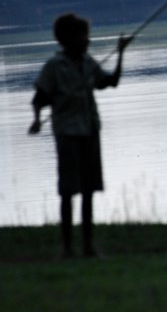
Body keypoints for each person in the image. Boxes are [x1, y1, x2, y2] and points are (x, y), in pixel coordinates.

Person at [28, 13, 133, 258]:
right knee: (68, 191)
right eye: (82, 36)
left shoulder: (88, 63)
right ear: (67, 39)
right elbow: (39, 99)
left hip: (89, 131)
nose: (87, 40)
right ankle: (67, 249)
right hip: (67, 134)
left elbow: (110, 82)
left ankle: (87, 247)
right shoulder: (55, 66)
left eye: (86, 35)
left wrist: (120, 53)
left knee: (88, 190)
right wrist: (36, 120)